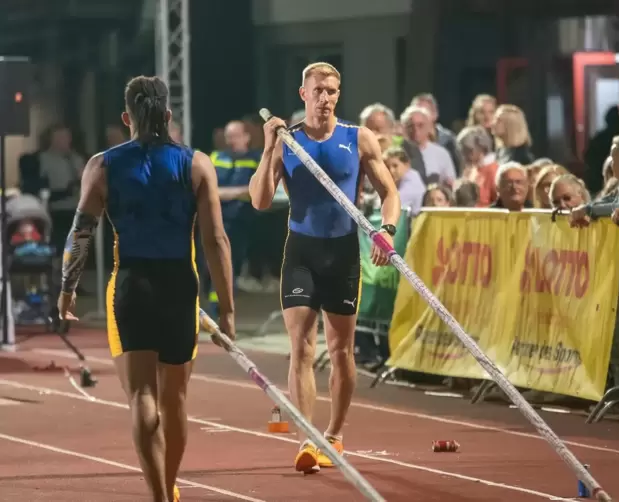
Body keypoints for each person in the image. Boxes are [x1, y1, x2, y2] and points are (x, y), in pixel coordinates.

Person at [57, 75, 234, 502]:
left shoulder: (103, 164)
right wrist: (226, 309)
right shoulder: (196, 164)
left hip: (133, 284)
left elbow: (80, 232)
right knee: (175, 398)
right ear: (169, 116)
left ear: (126, 117)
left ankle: (159, 494)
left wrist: (68, 287)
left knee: (142, 394)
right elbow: (216, 241)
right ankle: (170, 486)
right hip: (180, 284)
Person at [249, 62, 400, 474]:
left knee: (341, 350)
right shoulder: (287, 141)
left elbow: (390, 194)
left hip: (343, 253)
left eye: (332, 91)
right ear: (304, 94)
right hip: (301, 250)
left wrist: (386, 230)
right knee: (301, 347)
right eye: (318, 91)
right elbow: (260, 201)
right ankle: (306, 438)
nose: (326, 98)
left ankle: (333, 433)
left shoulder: (358, 138)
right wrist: (267, 148)